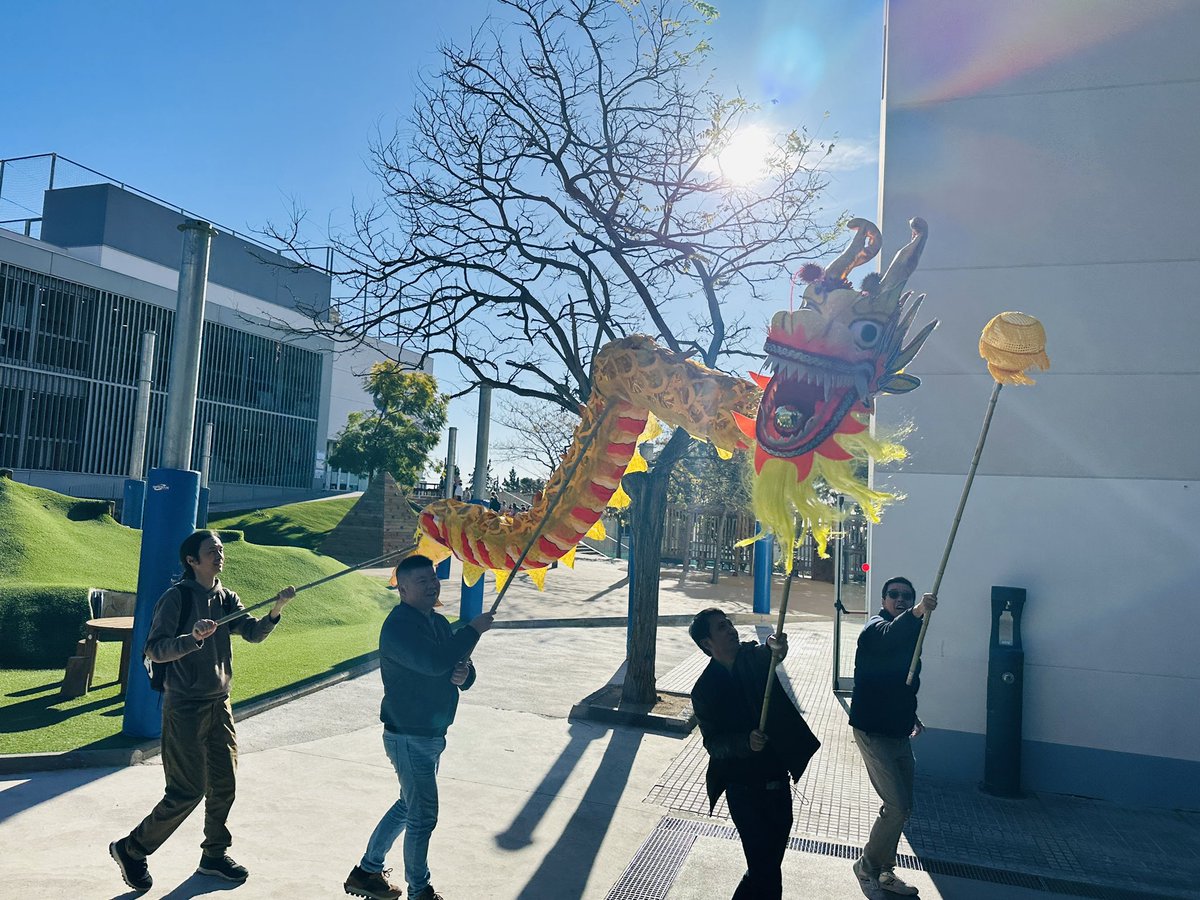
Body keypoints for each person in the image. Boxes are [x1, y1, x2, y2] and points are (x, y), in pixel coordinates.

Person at [109, 530, 295, 893]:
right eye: (211, 551)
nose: (219, 555)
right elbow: (154, 650)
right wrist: (192, 638)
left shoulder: (226, 597)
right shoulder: (176, 598)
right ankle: (131, 849)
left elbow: (253, 633)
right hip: (185, 707)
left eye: (221, 550)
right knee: (187, 790)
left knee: (225, 783)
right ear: (192, 561)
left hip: (220, 704)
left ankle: (214, 855)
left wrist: (276, 609)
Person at [344, 554, 495, 900]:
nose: (432, 585)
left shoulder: (439, 624)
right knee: (423, 815)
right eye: (422, 581)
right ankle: (419, 890)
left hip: (431, 733)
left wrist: (465, 675)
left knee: (409, 805)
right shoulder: (398, 627)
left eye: (434, 578)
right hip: (407, 734)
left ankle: (367, 873)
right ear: (403, 589)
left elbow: (456, 665)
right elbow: (431, 663)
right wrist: (472, 629)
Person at [688, 608, 820, 899]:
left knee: (766, 865)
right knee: (765, 870)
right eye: (722, 627)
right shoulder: (704, 690)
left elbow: (770, 653)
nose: (731, 629)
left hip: (777, 781)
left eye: (729, 623)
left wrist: (777, 646)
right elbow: (713, 743)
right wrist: (744, 742)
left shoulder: (753, 659)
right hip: (742, 789)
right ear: (707, 644)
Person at [848, 576, 938, 896]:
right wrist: (915, 612)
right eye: (894, 595)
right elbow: (887, 636)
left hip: (898, 732)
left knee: (903, 807)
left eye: (907, 596)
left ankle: (886, 872)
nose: (900, 599)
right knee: (897, 805)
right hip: (872, 732)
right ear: (884, 600)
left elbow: (902, 682)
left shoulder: (912, 634)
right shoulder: (875, 628)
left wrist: (910, 714)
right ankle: (867, 867)